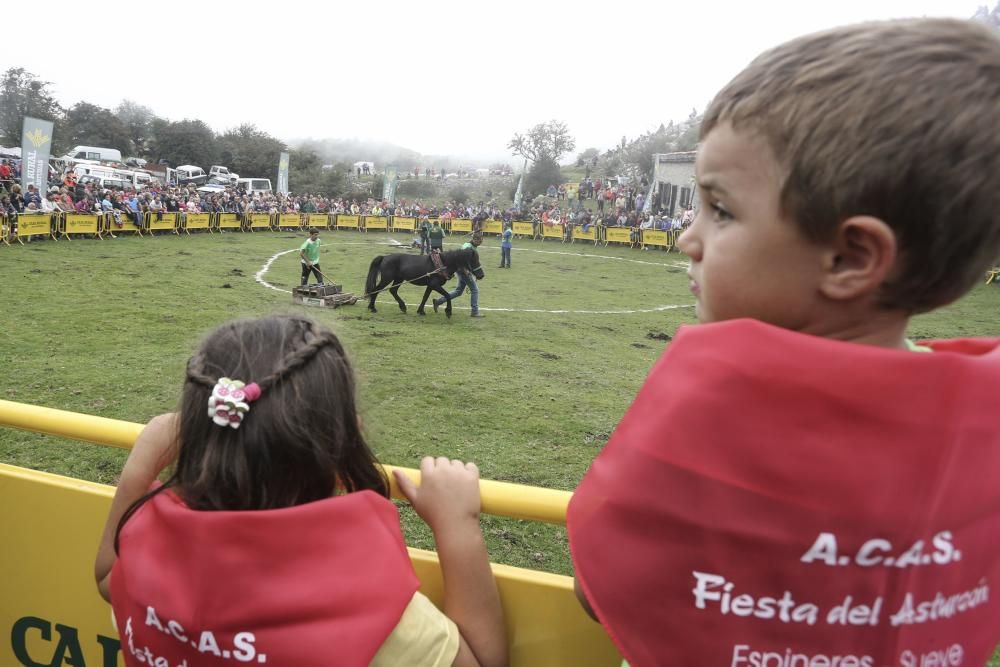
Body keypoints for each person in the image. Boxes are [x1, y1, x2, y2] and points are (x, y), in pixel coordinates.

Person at [567, 19, 1000, 667]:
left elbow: (597, 591)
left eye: (721, 210)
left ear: (850, 258)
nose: (690, 238)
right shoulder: (979, 423)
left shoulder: (712, 406)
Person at [93, 315, 506, 667]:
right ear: (343, 442)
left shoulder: (151, 556)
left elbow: (107, 576)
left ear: (197, 432)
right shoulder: (371, 615)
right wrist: (458, 526)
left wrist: (140, 462)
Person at [434, 233, 485, 317]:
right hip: (463, 271)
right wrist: (466, 271)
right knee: (475, 290)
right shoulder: (467, 247)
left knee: (458, 291)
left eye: (481, 241)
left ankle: (438, 301)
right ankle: (474, 311)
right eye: (479, 241)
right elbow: (460, 260)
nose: (480, 243)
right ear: (474, 239)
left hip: (461, 270)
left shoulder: (470, 246)